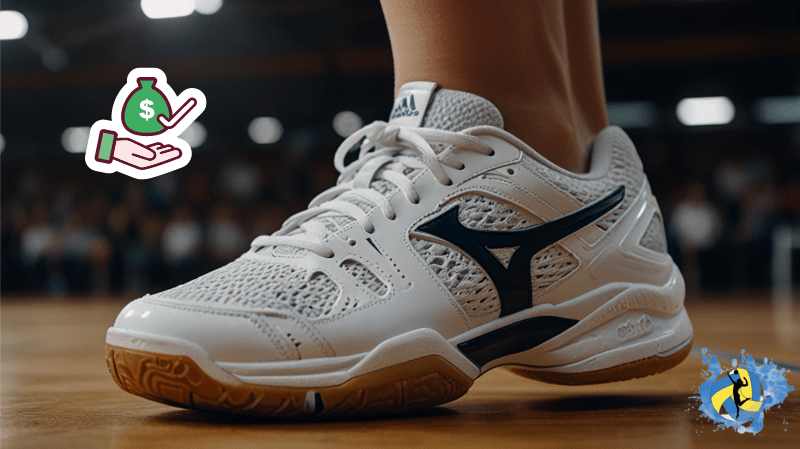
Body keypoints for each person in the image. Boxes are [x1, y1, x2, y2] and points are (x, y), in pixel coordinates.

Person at [105, 0, 693, 417]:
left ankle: (510, 169)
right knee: (549, 112)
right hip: (590, 222)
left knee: (502, 106)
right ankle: (587, 198)